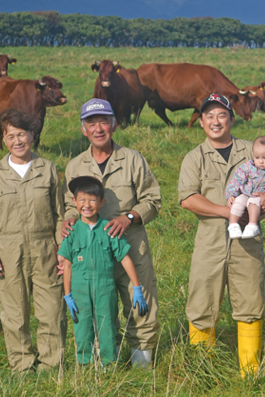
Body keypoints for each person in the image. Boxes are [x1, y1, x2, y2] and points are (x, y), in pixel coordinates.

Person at [178, 93, 265, 378]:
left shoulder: (251, 150)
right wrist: (226, 212)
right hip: (209, 240)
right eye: (209, 116)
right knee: (201, 302)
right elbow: (187, 198)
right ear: (200, 122)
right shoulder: (194, 157)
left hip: (248, 241)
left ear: (232, 119)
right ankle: (203, 369)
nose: (215, 121)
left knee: (250, 301)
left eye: (221, 115)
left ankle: (251, 371)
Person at [61, 98, 161, 369]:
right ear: (83, 129)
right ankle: (106, 359)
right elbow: (69, 206)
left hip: (129, 245)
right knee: (96, 304)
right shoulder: (75, 165)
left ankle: (141, 362)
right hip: (89, 254)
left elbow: (153, 199)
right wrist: (69, 221)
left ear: (114, 124)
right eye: (91, 123)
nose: (98, 128)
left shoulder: (132, 159)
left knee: (138, 301)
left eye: (103, 121)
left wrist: (129, 218)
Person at [0, 108, 67, 372]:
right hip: (8, 250)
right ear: (3, 140)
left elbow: (60, 213)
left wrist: (62, 249)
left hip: (45, 248)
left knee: (51, 310)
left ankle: (51, 366)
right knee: (14, 312)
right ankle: (22, 366)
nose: (17, 141)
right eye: (10, 136)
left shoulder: (48, 169)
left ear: (32, 134)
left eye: (22, 134)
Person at [59, 176, 148, 367]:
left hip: (105, 287)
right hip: (80, 289)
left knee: (107, 327)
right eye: (82, 200)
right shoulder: (72, 231)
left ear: (102, 202)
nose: (87, 205)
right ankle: (84, 366)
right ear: (74, 202)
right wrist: (67, 295)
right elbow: (67, 265)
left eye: (92, 200)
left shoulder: (109, 229)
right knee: (82, 328)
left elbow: (125, 258)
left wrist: (137, 287)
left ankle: (109, 367)